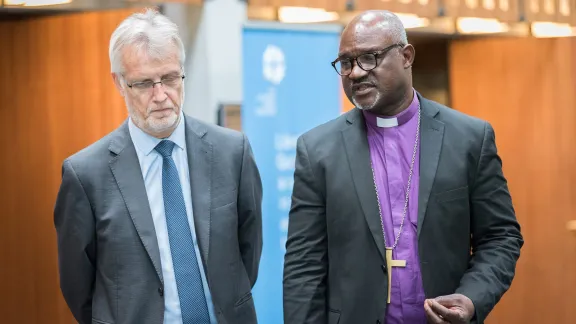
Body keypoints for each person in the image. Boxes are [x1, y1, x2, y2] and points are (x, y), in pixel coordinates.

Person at [282, 10, 523, 324]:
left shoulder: (469, 139)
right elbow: (304, 265)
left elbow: (500, 237)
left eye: (369, 58)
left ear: (407, 56)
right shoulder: (317, 151)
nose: (355, 73)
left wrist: (471, 298)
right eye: (346, 63)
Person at [54, 8, 262, 324]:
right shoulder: (86, 175)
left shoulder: (231, 152)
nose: (161, 95)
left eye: (169, 78)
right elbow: (77, 284)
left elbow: (249, 251)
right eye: (144, 83)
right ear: (119, 83)